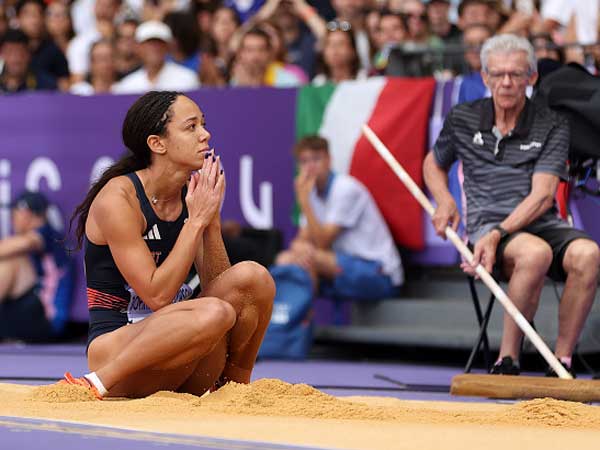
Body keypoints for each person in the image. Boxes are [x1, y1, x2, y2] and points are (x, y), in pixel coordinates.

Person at [62, 91, 275, 399]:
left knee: (253, 279)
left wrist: (210, 221)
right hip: (121, 350)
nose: (206, 134)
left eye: (203, 124)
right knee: (214, 312)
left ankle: (234, 391)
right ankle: (95, 382)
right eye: (191, 127)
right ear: (157, 143)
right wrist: (196, 222)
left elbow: (222, 287)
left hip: (186, 344)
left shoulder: (192, 196)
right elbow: (157, 296)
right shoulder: (118, 199)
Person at [423, 34, 600, 377]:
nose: (507, 82)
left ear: (531, 78)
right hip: (486, 224)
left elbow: (543, 194)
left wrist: (502, 232)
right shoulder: (462, 118)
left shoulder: (552, 123)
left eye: (516, 74)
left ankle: (560, 361)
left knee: (589, 254)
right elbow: (434, 163)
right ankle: (508, 360)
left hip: (538, 221)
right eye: (498, 74)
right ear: (485, 77)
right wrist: (444, 200)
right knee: (535, 254)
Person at [273, 135, 403, 304]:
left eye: (316, 159)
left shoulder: (346, 189)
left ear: (329, 160)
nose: (310, 167)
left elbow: (322, 242)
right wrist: (300, 248)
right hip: (344, 265)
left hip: (379, 273)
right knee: (284, 259)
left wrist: (304, 202)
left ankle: (300, 326)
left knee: (309, 258)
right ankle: (296, 327)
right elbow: (302, 239)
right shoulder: (310, 192)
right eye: (304, 161)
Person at [0, 191, 74, 342]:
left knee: (11, 260)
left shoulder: (47, 234)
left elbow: (25, 243)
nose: (12, 219)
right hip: (26, 311)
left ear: (26, 213)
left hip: (46, 319)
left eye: (14, 213)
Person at [112, 21, 200, 94]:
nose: (155, 48)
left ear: (168, 47)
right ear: (138, 47)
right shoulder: (127, 86)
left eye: (159, 43)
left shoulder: (187, 79)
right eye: (149, 44)